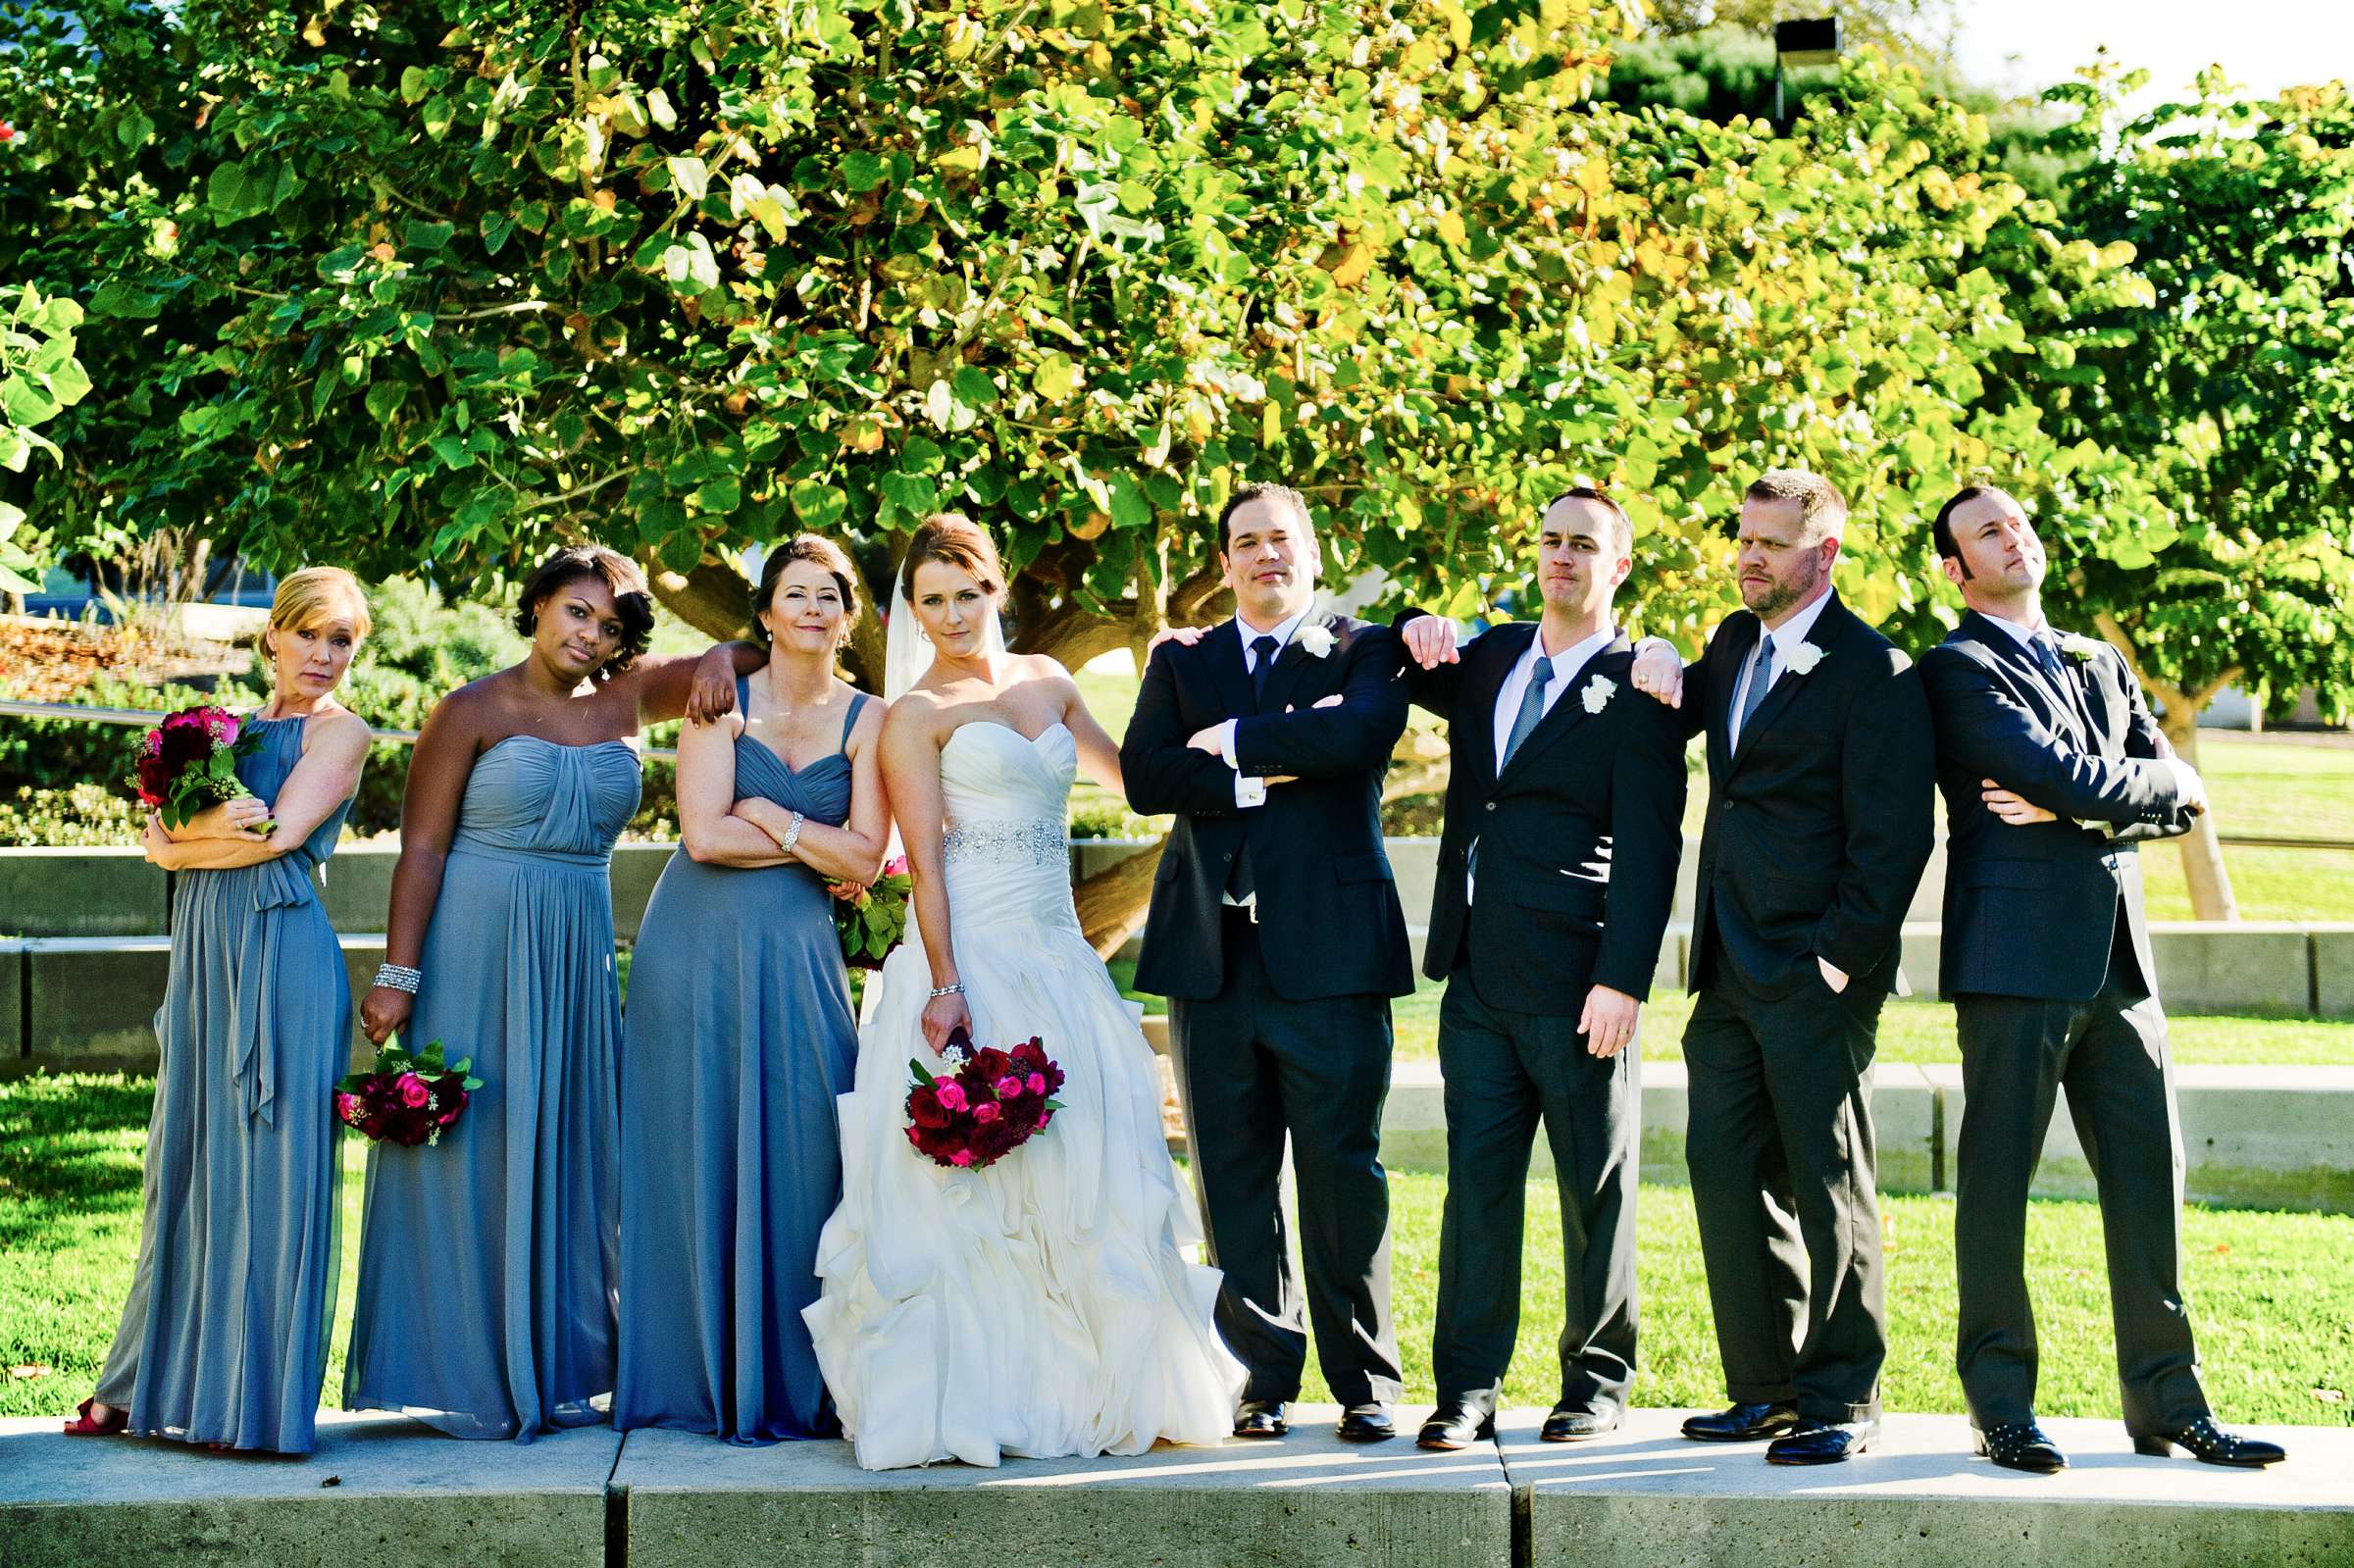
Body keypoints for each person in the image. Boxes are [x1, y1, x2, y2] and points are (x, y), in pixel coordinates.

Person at [804, 514, 1241, 1471]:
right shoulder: (913, 715)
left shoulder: (1046, 682)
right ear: (911, 612)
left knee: (1087, 1170)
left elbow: (1134, 778)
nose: (953, 614)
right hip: (970, 958)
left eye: (968, 593)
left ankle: (1097, 1384)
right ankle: (981, 1398)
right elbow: (923, 866)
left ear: (995, 591)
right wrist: (949, 986)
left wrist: (1183, 684)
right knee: (982, 1192)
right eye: (933, 601)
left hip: (1059, 958)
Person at [343, 546, 753, 1442]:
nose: (589, 633)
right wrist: (398, 973)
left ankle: (563, 1366)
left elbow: (763, 646)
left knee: (573, 1142)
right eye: (576, 611)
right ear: (535, 605)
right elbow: (422, 848)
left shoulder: (628, 696)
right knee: (478, 1146)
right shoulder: (470, 709)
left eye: (609, 624)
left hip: (575, 944)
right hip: (476, 944)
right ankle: (464, 1364)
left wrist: (719, 657)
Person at [1919, 484, 2284, 1472]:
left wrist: (2093, 805)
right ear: (1955, 569)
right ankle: (2002, 1407)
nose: (2013, 534)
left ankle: (2169, 1403)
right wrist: (2111, 795)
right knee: (1996, 1189)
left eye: (2017, 520)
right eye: (1988, 531)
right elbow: (2075, 776)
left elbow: (2178, 790)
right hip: (2012, 960)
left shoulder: (2100, 657)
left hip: (2122, 964)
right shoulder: (1954, 670)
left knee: (2149, 1184)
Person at [1629, 469, 1934, 1465]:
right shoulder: (1731, 642)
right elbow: (1682, 714)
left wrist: (1840, 961)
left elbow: (1894, 837)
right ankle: (1763, 1390)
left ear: (1825, 555)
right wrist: (1656, 648)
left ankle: (1842, 1400)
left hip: (1813, 970)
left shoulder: (1875, 670)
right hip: (1724, 968)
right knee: (1725, 1170)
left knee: (1827, 1177)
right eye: (1743, 538)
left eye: (1770, 542)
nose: (1749, 556)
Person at [1120, 481, 1413, 1444]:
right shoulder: (1184, 657)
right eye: (1245, 541)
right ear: (1226, 559)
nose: (1264, 555)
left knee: (1343, 1176)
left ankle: (1367, 1381)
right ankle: (1260, 1380)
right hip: (1212, 960)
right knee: (1233, 1181)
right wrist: (1286, 756)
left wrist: (1238, 741)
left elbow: (1360, 733)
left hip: (1331, 957)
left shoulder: (1365, 646)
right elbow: (1147, 776)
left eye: (1280, 538)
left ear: (1311, 550)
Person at [1394, 488, 1686, 1450]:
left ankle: (1596, 1385)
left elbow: (1652, 849)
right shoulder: (1489, 658)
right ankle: (1466, 1389)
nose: (1562, 558)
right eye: (1552, 540)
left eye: (1584, 546)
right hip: (1475, 975)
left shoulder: (1640, 685)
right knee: (1475, 1189)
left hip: (1579, 980)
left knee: (1593, 1191)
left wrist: (1625, 979)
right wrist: (1417, 624)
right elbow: (1389, 656)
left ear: (1619, 565)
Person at [68, 568, 374, 1453]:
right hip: (205, 961)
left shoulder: (342, 732)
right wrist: (181, 842)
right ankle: (145, 1382)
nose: (324, 654)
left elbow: (271, 837)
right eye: (309, 633)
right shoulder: (219, 734)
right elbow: (163, 836)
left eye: (343, 639)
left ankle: (252, 1404)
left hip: (280, 960)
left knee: (270, 1174)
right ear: (271, 636)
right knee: (187, 1167)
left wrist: (174, 848)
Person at [613, 536, 888, 1444]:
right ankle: (692, 1378)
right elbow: (702, 839)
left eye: (829, 595)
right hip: (692, 947)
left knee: (812, 1144)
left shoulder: (872, 718)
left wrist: (769, 811)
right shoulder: (718, 697)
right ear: (764, 613)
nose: (812, 608)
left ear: (848, 617)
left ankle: (801, 1380)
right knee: (693, 1142)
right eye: (794, 594)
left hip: (801, 951)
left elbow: (869, 858)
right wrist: (817, 837)